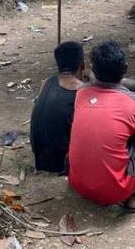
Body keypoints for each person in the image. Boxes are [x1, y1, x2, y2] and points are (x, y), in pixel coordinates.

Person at [68, 40, 135, 212]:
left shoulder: (80, 95)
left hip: (78, 185)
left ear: (93, 71)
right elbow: (133, 135)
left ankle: (98, 178)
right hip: (115, 192)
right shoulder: (134, 103)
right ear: (125, 69)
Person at [30, 41, 85, 173]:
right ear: (82, 65)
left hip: (39, 157)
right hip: (60, 164)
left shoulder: (47, 82)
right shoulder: (82, 91)